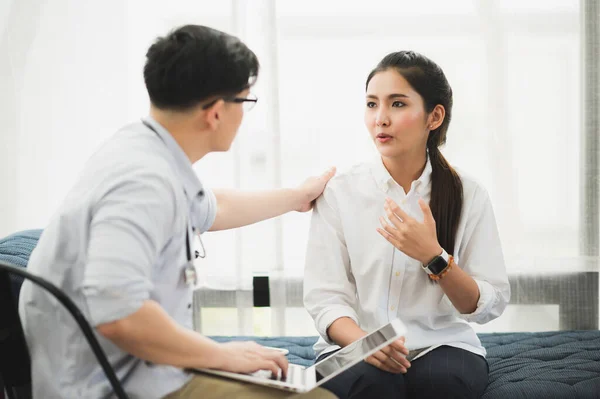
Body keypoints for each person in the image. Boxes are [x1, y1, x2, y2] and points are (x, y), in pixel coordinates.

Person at [19, 25, 337, 399]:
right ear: (217, 113)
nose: (245, 115)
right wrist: (223, 355)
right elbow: (119, 314)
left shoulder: (144, 151)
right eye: (245, 103)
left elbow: (216, 208)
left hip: (140, 368)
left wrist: (297, 197)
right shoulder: (143, 183)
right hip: (113, 385)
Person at [303, 51, 510, 399]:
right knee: (373, 384)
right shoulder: (339, 193)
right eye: (372, 105)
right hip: (353, 345)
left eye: (397, 104)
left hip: (442, 344)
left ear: (434, 116)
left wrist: (434, 256)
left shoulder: (469, 195)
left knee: (442, 385)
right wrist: (367, 343)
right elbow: (326, 299)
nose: (380, 119)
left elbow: (488, 303)